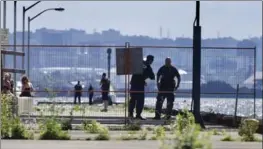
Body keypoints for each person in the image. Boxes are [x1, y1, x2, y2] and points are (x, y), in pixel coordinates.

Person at [129, 55, 155, 120]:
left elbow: (152, 76)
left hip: (134, 84)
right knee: (139, 101)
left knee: (133, 100)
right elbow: (152, 77)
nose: (151, 62)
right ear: (150, 60)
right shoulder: (148, 67)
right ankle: (137, 115)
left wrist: (144, 78)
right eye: (151, 61)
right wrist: (145, 77)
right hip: (139, 85)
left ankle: (131, 114)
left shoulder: (139, 63)